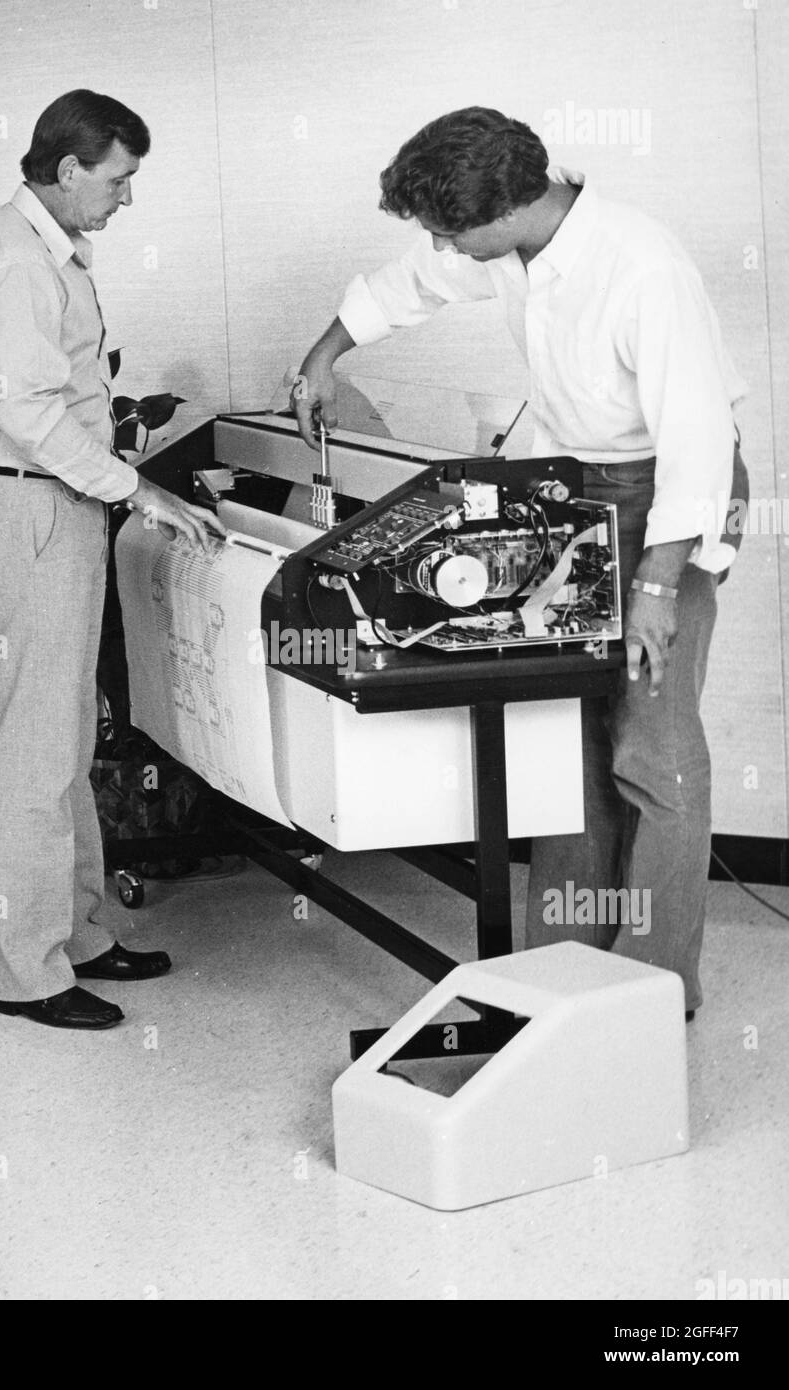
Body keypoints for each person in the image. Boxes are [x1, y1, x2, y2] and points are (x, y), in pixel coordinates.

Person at [292, 106, 748, 1017]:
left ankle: (655, 984)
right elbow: (405, 284)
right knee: (568, 732)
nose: (440, 246)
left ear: (506, 208)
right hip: (578, 486)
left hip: (670, 495)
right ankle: (568, 958)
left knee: (651, 747)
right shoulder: (503, 245)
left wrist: (658, 586)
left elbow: (696, 440)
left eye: (449, 231)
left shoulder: (641, 266)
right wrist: (323, 358)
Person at [0, 89, 225, 1030]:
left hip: (57, 506)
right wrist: (135, 487)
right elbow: (28, 418)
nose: (126, 199)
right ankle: (26, 972)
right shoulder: (20, 264)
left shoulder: (47, 251)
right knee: (34, 751)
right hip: (33, 508)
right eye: (119, 179)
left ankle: (77, 929)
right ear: (68, 170)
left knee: (66, 735)